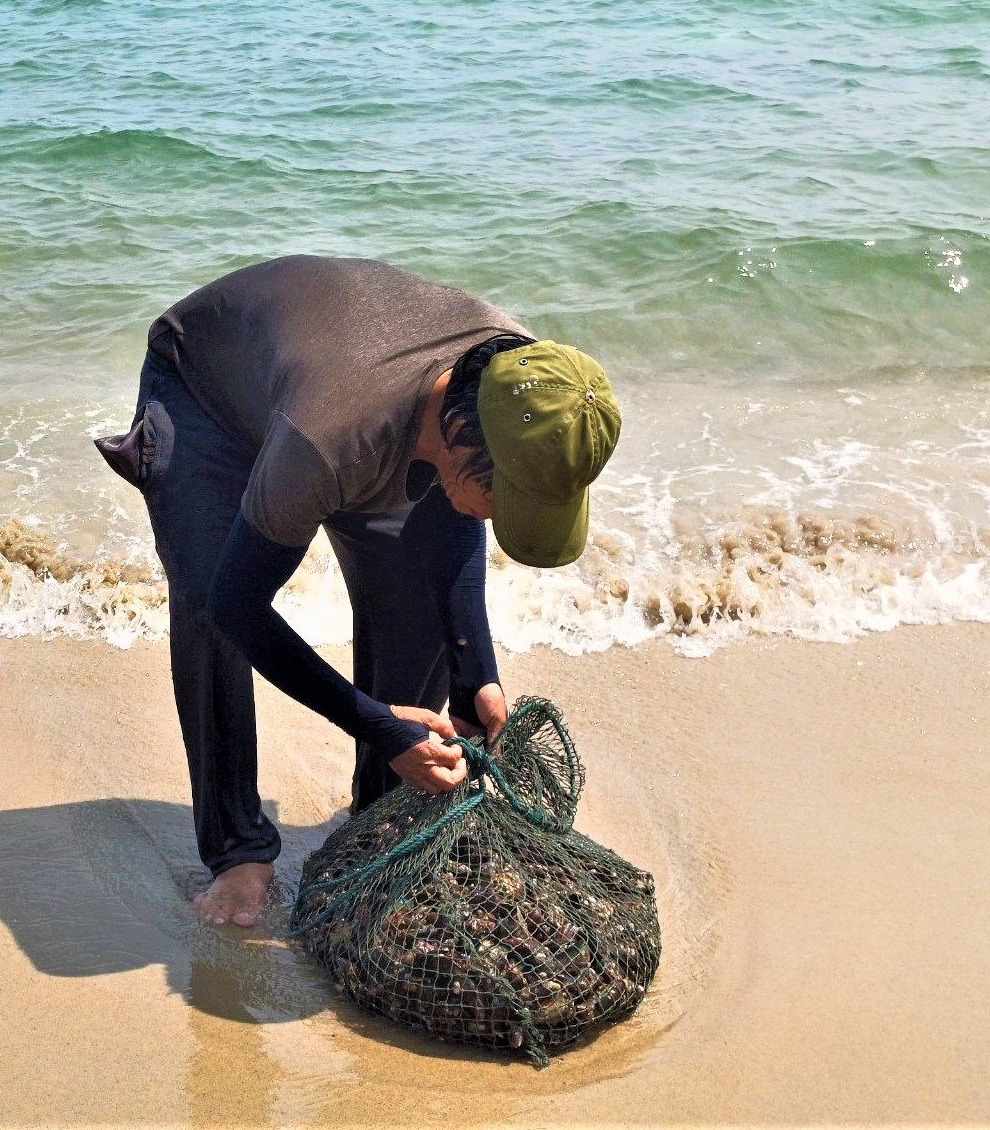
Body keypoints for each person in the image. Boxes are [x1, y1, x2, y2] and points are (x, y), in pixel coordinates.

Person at [96, 255, 621, 927]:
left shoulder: (526, 385)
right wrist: (375, 719)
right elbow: (238, 605)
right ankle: (236, 851)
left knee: (419, 604)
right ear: (460, 437)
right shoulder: (335, 436)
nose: (495, 518)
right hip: (208, 395)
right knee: (208, 595)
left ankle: (376, 820)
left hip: (336, 388)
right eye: (501, 498)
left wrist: (475, 673)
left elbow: (454, 524)